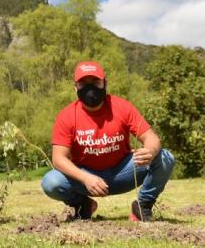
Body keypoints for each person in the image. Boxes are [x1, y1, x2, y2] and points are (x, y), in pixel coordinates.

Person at [41, 61, 175, 222]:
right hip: (86, 178)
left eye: (95, 82)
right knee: (51, 182)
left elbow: (152, 138)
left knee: (165, 157)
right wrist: (86, 178)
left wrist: (150, 151)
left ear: (105, 83)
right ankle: (83, 205)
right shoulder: (67, 116)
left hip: (123, 172)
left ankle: (142, 206)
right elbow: (58, 159)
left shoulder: (122, 107)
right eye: (83, 83)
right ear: (75, 87)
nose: (90, 89)